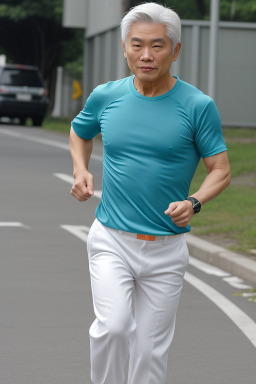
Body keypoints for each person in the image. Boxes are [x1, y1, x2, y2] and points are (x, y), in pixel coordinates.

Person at [69, 3, 231, 384]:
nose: (146, 55)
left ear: (175, 51)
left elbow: (220, 170)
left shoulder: (197, 106)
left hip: (166, 249)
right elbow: (80, 131)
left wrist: (194, 202)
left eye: (157, 46)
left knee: (148, 349)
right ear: (124, 47)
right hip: (112, 239)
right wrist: (80, 169)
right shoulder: (105, 96)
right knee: (114, 328)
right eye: (137, 45)